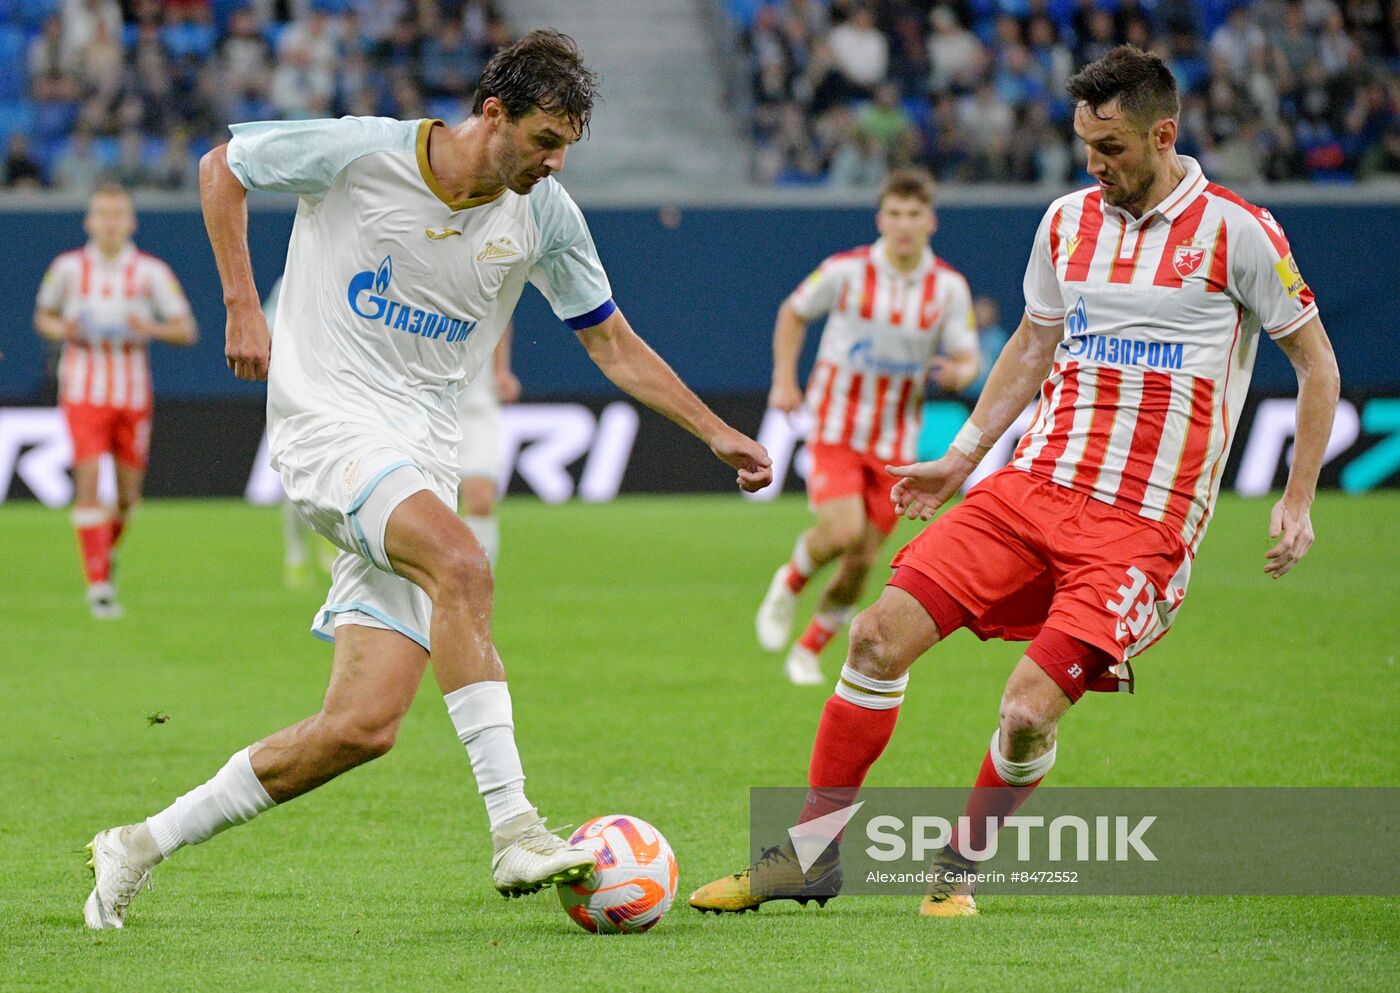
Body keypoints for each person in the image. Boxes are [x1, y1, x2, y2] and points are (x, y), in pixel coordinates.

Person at [82, 30, 772, 929]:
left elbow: (610, 340)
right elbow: (223, 165)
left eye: (567, 147)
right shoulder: (363, 149)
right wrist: (243, 304)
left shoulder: (546, 213)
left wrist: (715, 431)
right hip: (327, 426)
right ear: (494, 114)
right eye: (544, 141)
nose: (555, 162)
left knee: (360, 727)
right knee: (465, 563)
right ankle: (515, 825)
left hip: (420, 454)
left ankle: (137, 842)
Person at [690, 45, 1339, 917]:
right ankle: (810, 853)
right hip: (1031, 486)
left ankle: (957, 869)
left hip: (1142, 526)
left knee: (1028, 712)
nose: (1093, 164)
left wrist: (1296, 500)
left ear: (1164, 134)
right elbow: (1033, 345)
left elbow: (1317, 365)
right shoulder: (1067, 220)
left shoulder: (1239, 232)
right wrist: (962, 458)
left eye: (1110, 148)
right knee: (876, 636)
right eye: (1083, 144)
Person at [757, 168, 980, 685]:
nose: (904, 225)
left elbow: (969, 359)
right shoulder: (846, 271)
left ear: (931, 221)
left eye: (914, 215)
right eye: (895, 214)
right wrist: (784, 381)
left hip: (895, 441)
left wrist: (959, 373)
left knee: (862, 560)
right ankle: (788, 584)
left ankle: (808, 649)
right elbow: (793, 313)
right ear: (881, 219)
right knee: (842, 529)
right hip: (836, 426)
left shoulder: (947, 288)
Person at [33, 183, 197, 619]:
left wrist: (148, 328)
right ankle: (99, 586)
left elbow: (186, 330)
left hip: (132, 392)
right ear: (89, 221)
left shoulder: (150, 273)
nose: (108, 223)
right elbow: (43, 317)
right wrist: (64, 329)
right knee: (87, 482)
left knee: (127, 498)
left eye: (116, 214)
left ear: (130, 222)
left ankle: (103, 554)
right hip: (83, 389)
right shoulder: (68, 269)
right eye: (101, 214)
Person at [457, 321, 520, 566]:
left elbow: (500, 313)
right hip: (421, 402)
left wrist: (501, 369)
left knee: (481, 499)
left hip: (476, 401)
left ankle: (478, 589)